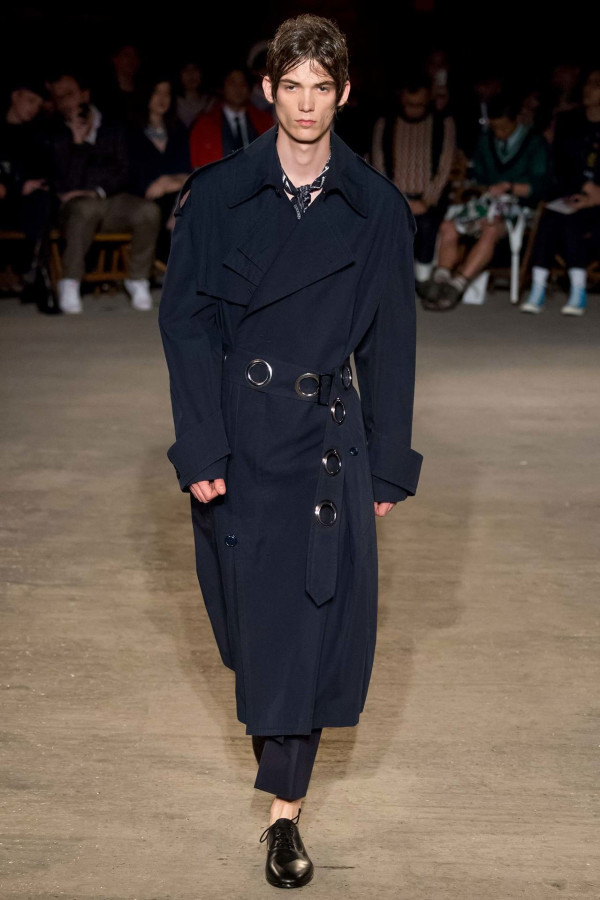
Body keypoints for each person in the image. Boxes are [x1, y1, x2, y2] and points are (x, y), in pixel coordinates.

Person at [158, 13, 423, 890]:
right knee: (253, 633)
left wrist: (389, 457)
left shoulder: (376, 208)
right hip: (238, 433)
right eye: (292, 87)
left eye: (322, 88)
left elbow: (391, 339)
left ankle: (284, 815)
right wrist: (200, 441)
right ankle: (281, 771)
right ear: (269, 90)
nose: (306, 105)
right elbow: (186, 325)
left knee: (308, 627)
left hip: (325, 442)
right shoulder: (217, 195)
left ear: (344, 94)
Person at [46, 72, 161, 313]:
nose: (64, 102)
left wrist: (96, 191)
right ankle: (71, 280)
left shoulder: (112, 127)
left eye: (69, 94)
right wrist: (77, 143)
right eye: (59, 97)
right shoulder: (55, 132)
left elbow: (124, 172)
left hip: (110, 198)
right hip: (75, 207)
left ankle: (138, 278)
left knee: (148, 211)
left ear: (84, 94)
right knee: (85, 208)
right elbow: (65, 183)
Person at [421, 91, 548, 311]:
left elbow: (541, 185)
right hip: (486, 203)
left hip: (520, 207)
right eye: (495, 127)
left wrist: (510, 187)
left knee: (490, 228)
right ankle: (441, 279)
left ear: (516, 120)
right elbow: (477, 175)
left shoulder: (535, 143)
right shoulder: (486, 139)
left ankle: (457, 284)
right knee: (448, 225)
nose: (498, 133)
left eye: (504, 128)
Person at [520, 68, 600, 317]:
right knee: (553, 217)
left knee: (572, 220)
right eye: (587, 83)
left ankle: (578, 290)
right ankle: (538, 288)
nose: (588, 89)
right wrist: (584, 189)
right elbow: (560, 164)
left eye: (596, 84)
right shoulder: (569, 121)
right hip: (572, 194)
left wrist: (596, 196)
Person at [371, 71, 456, 287]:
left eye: (420, 104)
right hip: (394, 197)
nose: (415, 109)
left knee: (426, 225)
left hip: (429, 200)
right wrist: (399, 201)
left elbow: (445, 166)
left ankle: (423, 280)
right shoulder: (385, 123)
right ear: (401, 99)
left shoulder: (442, 123)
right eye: (410, 104)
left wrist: (427, 201)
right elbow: (378, 165)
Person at [0, 77, 56, 313]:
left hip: (23, 203)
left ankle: (37, 274)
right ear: (16, 96)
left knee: (41, 202)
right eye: (30, 101)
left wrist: (23, 186)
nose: (34, 108)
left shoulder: (37, 134)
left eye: (38, 104)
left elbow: (48, 172)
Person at [127, 77, 191, 264]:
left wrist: (168, 182)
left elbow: (188, 170)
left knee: (193, 197)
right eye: (157, 92)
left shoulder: (178, 129)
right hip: (140, 197)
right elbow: (130, 176)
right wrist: (163, 183)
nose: (162, 98)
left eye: (167, 94)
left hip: (174, 195)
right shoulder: (131, 130)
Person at [189, 65, 274, 167]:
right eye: (232, 83)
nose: (238, 89)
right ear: (222, 87)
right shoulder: (204, 125)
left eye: (242, 83)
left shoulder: (265, 121)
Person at [174, 61, 215, 130]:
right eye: (186, 70)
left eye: (195, 69)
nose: (191, 74)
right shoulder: (172, 104)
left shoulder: (213, 102)